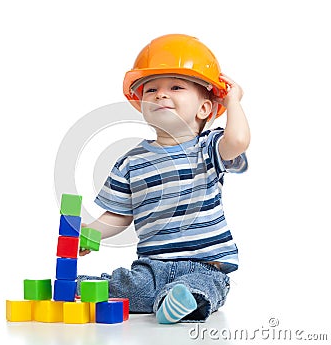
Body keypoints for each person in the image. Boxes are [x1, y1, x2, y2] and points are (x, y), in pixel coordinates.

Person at [77, 34, 250, 323]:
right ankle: (86, 288)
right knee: (127, 284)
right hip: (151, 268)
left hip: (204, 267)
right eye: (151, 89)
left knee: (202, 287)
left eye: (176, 87)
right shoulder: (130, 161)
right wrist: (90, 233)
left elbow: (239, 140)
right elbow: (117, 216)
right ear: (141, 103)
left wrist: (233, 100)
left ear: (204, 108)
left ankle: (182, 300)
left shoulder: (208, 148)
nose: (160, 94)